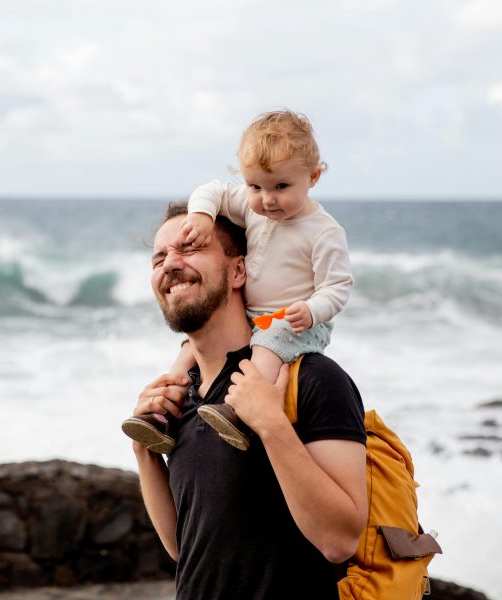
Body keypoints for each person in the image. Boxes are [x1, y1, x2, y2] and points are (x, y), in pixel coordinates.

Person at [130, 202, 367, 599]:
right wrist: (144, 452)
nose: (170, 263)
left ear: (238, 270)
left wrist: (271, 425)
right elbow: (184, 549)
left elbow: (340, 540)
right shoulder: (182, 398)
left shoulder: (311, 379)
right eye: (159, 257)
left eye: (189, 248)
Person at [123, 109, 353, 452]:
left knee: (267, 343)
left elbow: (337, 286)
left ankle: (238, 413)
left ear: (314, 177)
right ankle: (163, 413)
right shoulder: (252, 207)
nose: (267, 199)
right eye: (255, 186)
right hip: (255, 314)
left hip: (296, 320)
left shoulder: (324, 232)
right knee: (190, 349)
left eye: (281, 186)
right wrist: (201, 217)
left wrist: (312, 309)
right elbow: (211, 191)